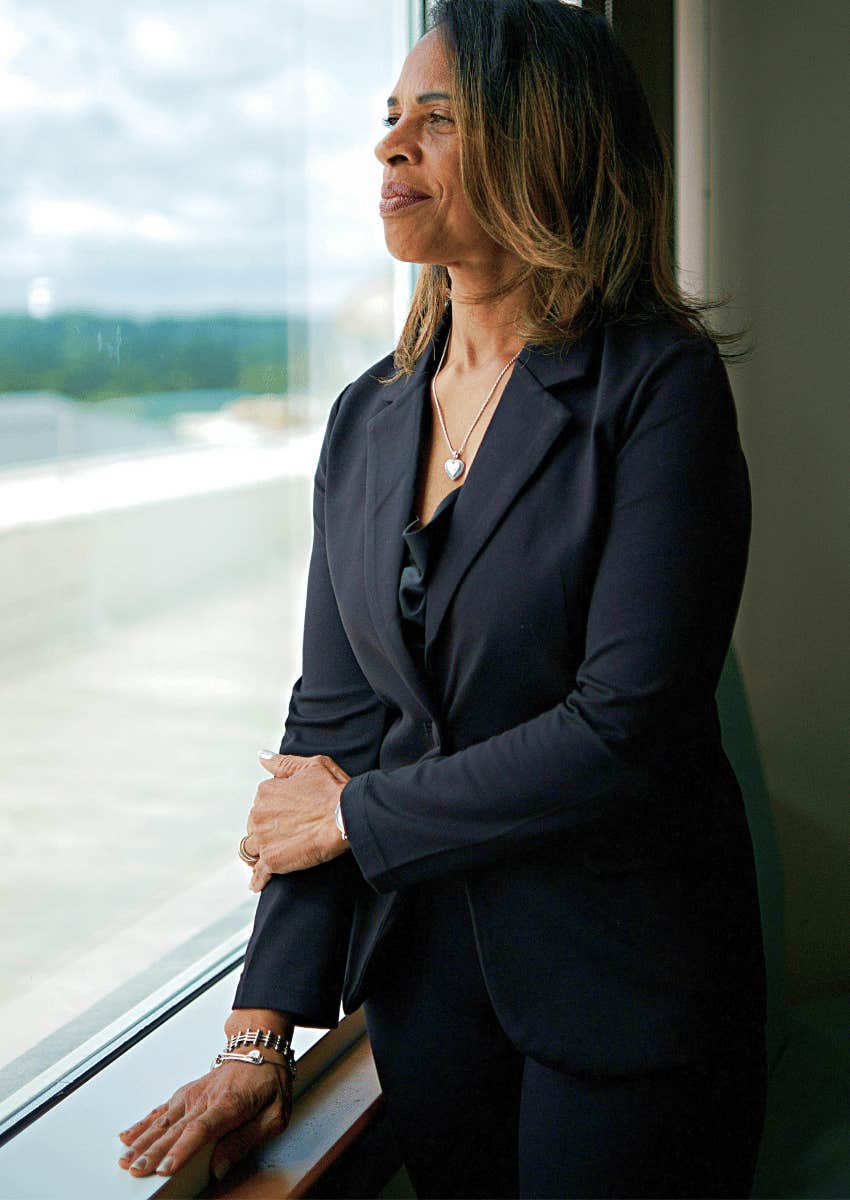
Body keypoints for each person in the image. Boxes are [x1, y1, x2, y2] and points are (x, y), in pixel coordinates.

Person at [117, 2, 767, 1196]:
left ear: (545, 142)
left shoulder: (658, 389)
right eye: (386, 118)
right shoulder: (364, 419)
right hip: (427, 1010)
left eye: (437, 119)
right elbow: (326, 735)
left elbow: (627, 731)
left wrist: (359, 819)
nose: (387, 148)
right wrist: (260, 1031)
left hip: (626, 1003)